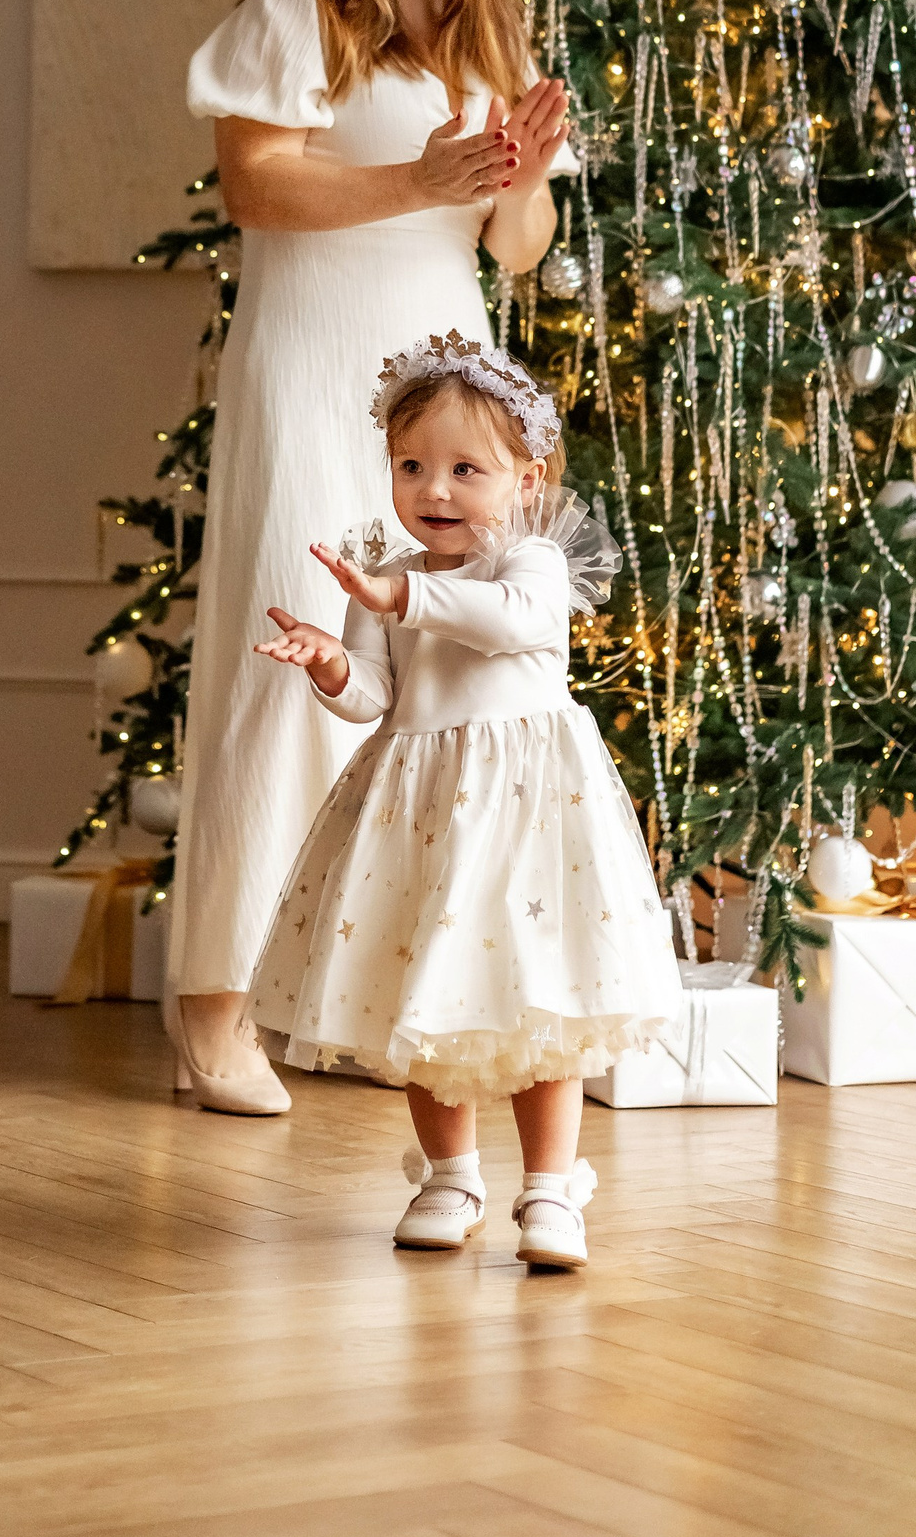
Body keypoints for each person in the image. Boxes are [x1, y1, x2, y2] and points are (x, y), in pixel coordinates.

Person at [167, 0, 571, 1112]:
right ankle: (213, 1012)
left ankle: (345, 1001)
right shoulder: (298, 9)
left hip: (444, 383)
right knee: (288, 653)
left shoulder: (492, 35)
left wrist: (517, 179)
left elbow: (516, 246)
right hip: (311, 367)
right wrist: (420, 176)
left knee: (421, 671)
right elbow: (255, 187)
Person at [247, 335, 683, 1268]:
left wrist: (400, 597)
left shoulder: (530, 564)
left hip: (529, 813)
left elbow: (514, 625)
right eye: (410, 466)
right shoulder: (389, 577)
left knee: (539, 1000)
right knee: (423, 989)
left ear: (526, 480)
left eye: (463, 470)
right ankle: (450, 1177)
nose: (433, 489)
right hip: (421, 809)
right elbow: (375, 693)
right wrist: (331, 663)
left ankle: (550, 1190)